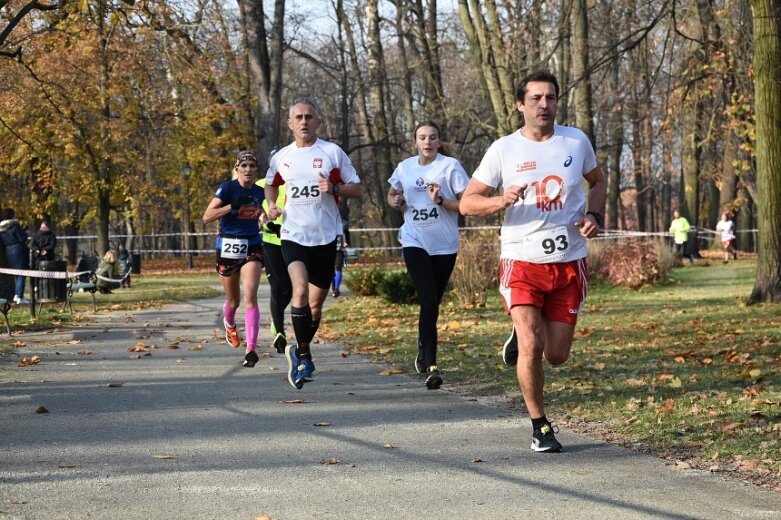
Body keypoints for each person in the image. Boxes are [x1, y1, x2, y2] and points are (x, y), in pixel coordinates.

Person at [459, 70, 607, 453]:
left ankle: (526, 333)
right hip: (521, 260)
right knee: (531, 342)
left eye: (551, 98)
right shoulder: (503, 149)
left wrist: (595, 216)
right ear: (520, 104)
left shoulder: (576, 140)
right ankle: (540, 426)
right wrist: (499, 201)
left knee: (555, 355)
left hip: (569, 260)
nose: (544, 105)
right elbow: (467, 202)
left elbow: (599, 181)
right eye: (537, 98)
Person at [265, 98, 363, 390]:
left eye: (309, 116)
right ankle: (305, 356)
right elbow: (271, 183)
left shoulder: (332, 152)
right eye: (299, 117)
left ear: (318, 122)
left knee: (315, 307)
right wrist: (272, 204)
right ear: (290, 123)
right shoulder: (282, 157)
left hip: (325, 237)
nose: (304, 121)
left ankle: (300, 347)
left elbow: (357, 188)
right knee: (299, 290)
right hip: (293, 234)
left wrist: (334, 188)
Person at [387, 120, 469, 389]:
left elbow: (467, 204)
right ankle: (432, 366)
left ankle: (423, 347)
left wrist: (441, 201)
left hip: (444, 244)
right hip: (414, 239)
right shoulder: (405, 167)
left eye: (433, 137)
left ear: (439, 141)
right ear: (415, 142)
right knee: (429, 300)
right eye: (422, 137)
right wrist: (395, 201)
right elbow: (392, 193)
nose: (427, 142)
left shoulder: (450, 166)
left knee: (432, 304)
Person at [202, 150, 267, 368]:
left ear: (257, 170)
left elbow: (260, 211)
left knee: (250, 295)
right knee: (234, 301)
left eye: (252, 166)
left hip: (252, 245)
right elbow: (207, 216)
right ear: (237, 168)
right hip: (228, 246)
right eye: (244, 166)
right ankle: (229, 323)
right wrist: (232, 206)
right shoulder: (228, 188)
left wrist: (265, 218)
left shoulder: (260, 190)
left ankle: (251, 348)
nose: (248, 170)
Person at [257, 150, 292, 355]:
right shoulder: (262, 185)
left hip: (294, 240)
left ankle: (275, 314)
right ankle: (279, 331)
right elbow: (254, 209)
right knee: (279, 285)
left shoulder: (294, 183)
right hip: (270, 241)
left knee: (292, 288)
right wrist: (263, 220)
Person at [0, 208, 31, 305]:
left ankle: (16, 295)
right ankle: (19, 296)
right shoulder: (14, 225)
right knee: (22, 273)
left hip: (8, 251)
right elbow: (23, 238)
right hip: (19, 249)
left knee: (15, 273)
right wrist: (24, 231)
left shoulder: (1, 228)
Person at [331, 205, 350, 298]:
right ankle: (335, 287)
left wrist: (347, 243)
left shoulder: (343, 223)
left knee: (336, 268)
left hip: (335, 248)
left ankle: (336, 288)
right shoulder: (344, 223)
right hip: (331, 248)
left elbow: (347, 235)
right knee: (335, 269)